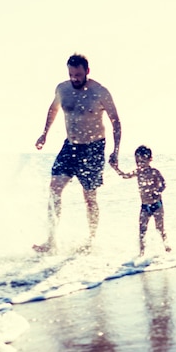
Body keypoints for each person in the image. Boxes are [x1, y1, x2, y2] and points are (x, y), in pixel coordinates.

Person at [33, 54, 121, 253]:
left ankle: (90, 241)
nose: (74, 78)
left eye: (78, 74)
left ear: (87, 72)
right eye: (71, 74)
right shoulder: (62, 89)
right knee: (54, 189)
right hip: (70, 146)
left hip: (93, 148)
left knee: (89, 196)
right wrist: (44, 134)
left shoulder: (100, 92)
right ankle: (51, 240)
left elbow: (116, 121)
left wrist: (115, 152)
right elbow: (53, 109)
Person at [110, 145, 171, 256]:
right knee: (142, 230)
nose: (140, 164)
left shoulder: (154, 172)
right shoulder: (138, 172)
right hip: (144, 206)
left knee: (160, 228)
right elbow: (125, 176)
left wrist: (157, 192)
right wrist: (115, 168)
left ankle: (167, 247)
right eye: (137, 162)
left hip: (157, 205)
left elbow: (164, 184)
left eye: (142, 161)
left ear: (150, 159)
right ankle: (141, 253)